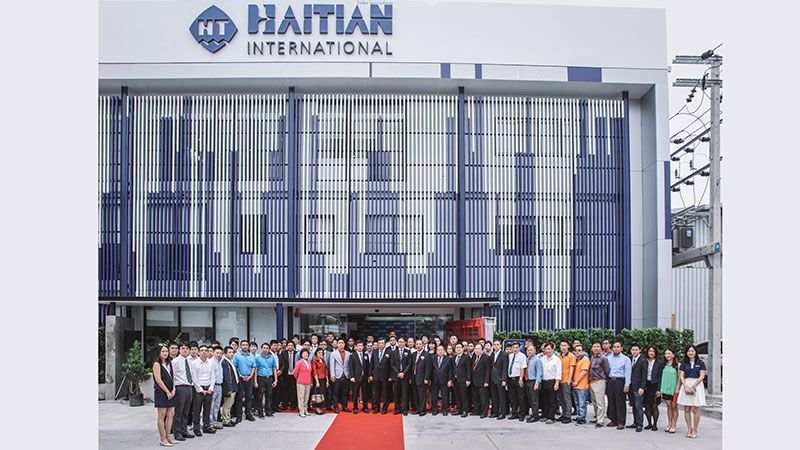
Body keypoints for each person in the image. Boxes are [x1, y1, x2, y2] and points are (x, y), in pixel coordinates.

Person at [677, 345, 706, 439]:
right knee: (686, 409)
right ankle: (689, 428)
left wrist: (693, 386)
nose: (691, 352)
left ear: (695, 352)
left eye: (692, 351)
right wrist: (685, 386)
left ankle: (695, 430)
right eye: (689, 351)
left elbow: (702, 376)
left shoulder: (701, 363)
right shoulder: (684, 363)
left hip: (697, 385)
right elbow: (681, 376)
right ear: (686, 353)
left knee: (696, 408)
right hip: (686, 384)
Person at [153, 344, 177, 447]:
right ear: (159, 353)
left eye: (166, 351)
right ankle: (162, 439)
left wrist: (173, 389)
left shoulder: (169, 363)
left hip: (171, 391)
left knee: (171, 414)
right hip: (161, 392)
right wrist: (167, 391)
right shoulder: (156, 364)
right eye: (163, 351)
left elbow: (173, 377)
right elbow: (158, 380)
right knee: (162, 415)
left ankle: (168, 437)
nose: (165, 353)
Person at [170, 343, 195, 442]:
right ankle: (177, 432)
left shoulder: (190, 361)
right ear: (179, 350)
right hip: (180, 387)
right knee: (179, 411)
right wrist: (173, 389)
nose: (185, 350)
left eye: (187, 348)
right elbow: (172, 376)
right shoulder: (175, 362)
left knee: (186, 411)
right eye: (182, 348)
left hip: (189, 387)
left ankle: (184, 430)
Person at [190, 345, 216, 436]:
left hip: (208, 388)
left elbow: (213, 376)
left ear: (208, 352)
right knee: (197, 410)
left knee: (207, 409)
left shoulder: (211, 363)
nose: (204, 352)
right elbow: (194, 378)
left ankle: (206, 426)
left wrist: (211, 388)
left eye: (206, 350)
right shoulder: (194, 363)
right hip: (198, 389)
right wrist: (200, 390)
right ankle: (196, 428)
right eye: (202, 350)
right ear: (198, 352)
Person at [606, 341, 632, 430]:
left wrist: (627, 385)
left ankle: (621, 422)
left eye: (618, 347)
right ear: (612, 348)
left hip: (620, 381)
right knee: (611, 401)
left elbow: (628, 373)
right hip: (610, 381)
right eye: (614, 347)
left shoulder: (626, 359)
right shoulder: (608, 358)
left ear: (621, 348)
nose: (616, 348)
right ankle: (613, 420)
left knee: (620, 402)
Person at [232, 340, 257, 423]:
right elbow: (235, 367)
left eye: (246, 345)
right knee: (239, 397)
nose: (245, 346)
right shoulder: (236, 356)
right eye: (243, 345)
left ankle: (248, 413)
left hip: (249, 379)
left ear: (248, 346)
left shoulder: (251, 356)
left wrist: (250, 376)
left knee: (249, 397)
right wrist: (240, 375)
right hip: (240, 379)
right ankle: (239, 415)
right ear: (240, 346)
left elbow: (254, 367)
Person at [658, 348, 681, 434]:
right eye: (666, 354)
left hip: (674, 389)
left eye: (669, 353)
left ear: (673, 355)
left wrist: (677, 388)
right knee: (668, 406)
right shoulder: (663, 365)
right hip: (665, 389)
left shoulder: (677, 365)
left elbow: (679, 378)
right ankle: (669, 423)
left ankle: (674, 425)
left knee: (674, 406)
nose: (667, 355)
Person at [588, 342, 610, 428]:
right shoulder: (592, 357)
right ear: (592, 349)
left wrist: (605, 380)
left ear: (600, 348)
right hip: (592, 381)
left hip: (600, 381)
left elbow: (607, 371)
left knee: (600, 402)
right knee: (594, 402)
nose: (596, 348)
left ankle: (600, 420)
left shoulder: (604, 358)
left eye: (598, 346)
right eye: (594, 346)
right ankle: (597, 417)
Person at [540, 342, 561, 424]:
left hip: (552, 381)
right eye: (546, 349)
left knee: (552, 400)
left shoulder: (556, 359)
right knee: (544, 400)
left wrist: (557, 383)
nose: (548, 351)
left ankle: (551, 417)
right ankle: (545, 415)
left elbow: (558, 372)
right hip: (544, 381)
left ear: (553, 349)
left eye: (549, 349)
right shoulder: (542, 359)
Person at [255, 343, 278, 418]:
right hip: (261, 378)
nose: (265, 349)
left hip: (269, 378)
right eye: (264, 348)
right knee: (260, 396)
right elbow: (256, 370)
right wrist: (255, 381)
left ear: (269, 349)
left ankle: (268, 412)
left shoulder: (272, 358)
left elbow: (274, 368)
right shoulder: (258, 358)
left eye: (267, 348)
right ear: (261, 349)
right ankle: (260, 412)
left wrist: (276, 380)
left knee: (269, 395)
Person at [643, 346, 664, 431]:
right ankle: (649, 424)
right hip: (646, 385)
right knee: (647, 405)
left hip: (655, 385)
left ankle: (655, 424)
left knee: (654, 405)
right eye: (650, 351)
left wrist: (659, 389)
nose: (651, 353)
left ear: (655, 353)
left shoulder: (659, 363)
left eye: (653, 351)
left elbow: (660, 377)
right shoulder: (644, 361)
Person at [628, 343, 647, 432]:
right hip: (631, 386)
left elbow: (644, 375)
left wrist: (642, 387)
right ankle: (635, 422)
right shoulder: (630, 359)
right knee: (633, 405)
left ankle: (640, 424)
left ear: (640, 350)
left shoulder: (643, 360)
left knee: (638, 406)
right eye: (633, 350)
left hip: (638, 387)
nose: (634, 351)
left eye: (636, 350)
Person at [390, 337, 412, 415]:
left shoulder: (408, 352)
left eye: (402, 342)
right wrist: (398, 373)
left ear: (405, 343)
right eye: (399, 342)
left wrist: (403, 373)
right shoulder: (393, 352)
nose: (401, 343)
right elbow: (392, 364)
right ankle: (397, 409)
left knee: (404, 394)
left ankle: (404, 409)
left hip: (405, 376)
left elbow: (409, 364)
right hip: (396, 376)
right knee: (396, 393)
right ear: (397, 343)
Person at [329, 338, 351, 413]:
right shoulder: (333, 353)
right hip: (337, 375)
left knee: (345, 392)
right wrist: (332, 375)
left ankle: (345, 406)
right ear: (337, 344)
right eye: (339, 343)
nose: (341, 344)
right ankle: (336, 407)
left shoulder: (348, 353)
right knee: (336, 392)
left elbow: (349, 365)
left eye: (342, 343)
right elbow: (332, 365)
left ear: (344, 344)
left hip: (346, 375)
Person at [506, 342, 527, 421]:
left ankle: (522, 415)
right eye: (513, 347)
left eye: (516, 347)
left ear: (519, 348)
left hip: (518, 379)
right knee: (513, 398)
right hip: (511, 379)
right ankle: (514, 413)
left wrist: (521, 378)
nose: (515, 349)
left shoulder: (522, 356)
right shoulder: (510, 356)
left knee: (521, 398)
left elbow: (522, 368)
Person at [348, 341, 370, 413]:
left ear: (363, 347)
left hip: (364, 377)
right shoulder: (352, 355)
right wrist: (352, 376)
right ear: (356, 347)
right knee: (355, 393)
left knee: (365, 393)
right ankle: (355, 407)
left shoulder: (365, 355)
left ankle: (365, 407)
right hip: (356, 377)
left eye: (361, 346)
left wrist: (368, 376)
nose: (360, 347)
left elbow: (368, 367)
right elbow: (350, 367)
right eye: (358, 346)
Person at [430, 345, 452, 416]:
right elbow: (430, 369)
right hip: (434, 380)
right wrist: (429, 379)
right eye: (438, 350)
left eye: (441, 350)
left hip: (444, 380)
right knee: (434, 396)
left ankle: (445, 410)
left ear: (444, 351)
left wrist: (450, 380)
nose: (440, 351)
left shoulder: (448, 359)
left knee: (445, 396)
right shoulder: (433, 358)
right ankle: (434, 409)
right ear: (436, 351)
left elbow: (450, 370)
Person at [371, 338, 392, 414]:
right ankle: (376, 408)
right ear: (377, 344)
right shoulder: (374, 352)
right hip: (376, 376)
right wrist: (370, 375)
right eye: (379, 343)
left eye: (382, 343)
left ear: (385, 344)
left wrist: (390, 376)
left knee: (385, 393)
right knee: (376, 393)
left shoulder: (389, 352)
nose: (381, 344)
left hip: (385, 376)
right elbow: (371, 364)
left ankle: (384, 408)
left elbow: (391, 365)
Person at [412, 339, 432, 416]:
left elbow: (428, 368)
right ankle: (417, 409)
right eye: (417, 344)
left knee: (422, 395)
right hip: (414, 377)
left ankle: (422, 410)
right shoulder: (413, 354)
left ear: (423, 345)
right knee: (415, 395)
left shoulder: (427, 354)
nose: (418, 345)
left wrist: (426, 378)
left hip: (422, 378)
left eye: (420, 344)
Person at [571, 343, 590, 425]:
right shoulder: (576, 360)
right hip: (575, 385)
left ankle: (582, 418)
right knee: (577, 403)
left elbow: (584, 372)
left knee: (582, 402)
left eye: (580, 350)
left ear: (583, 351)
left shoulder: (585, 359)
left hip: (582, 385)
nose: (578, 352)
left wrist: (576, 382)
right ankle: (579, 416)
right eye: (576, 351)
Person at [489, 340, 509, 419]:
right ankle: (495, 412)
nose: (496, 346)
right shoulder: (492, 354)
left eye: (497, 344)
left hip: (500, 379)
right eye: (494, 344)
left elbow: (505, 367)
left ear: (500, 346)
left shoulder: (504, 354)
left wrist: (504, 379)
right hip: (493, 379)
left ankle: (502, 413)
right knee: (494, 397)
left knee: (502, 397)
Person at [220, 346, 239, 427]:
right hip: (229, 387)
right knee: (227, 405)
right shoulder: (224, 363)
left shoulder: (230, 362)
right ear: (225, 353)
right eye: (229, 352)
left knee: (230, 404)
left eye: (232, 352)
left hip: (233, 386)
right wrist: (229, 388)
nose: (232, 354)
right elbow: (227, 377)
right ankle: (226, 420)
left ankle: (228, 418)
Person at [471, 343, 491, 418]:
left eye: (478, 349)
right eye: (475, 349)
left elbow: (488, 370)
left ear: (482, 350)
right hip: (475, 381)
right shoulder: (474, 357)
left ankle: (484, 412)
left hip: (483, 381)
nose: (476, 350)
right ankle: (477, 411)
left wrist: (486, 381)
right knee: (476, 397)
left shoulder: (486, 357)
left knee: (484, 398)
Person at [558, 340, 576, 423]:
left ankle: (568, 416)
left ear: (568, 346)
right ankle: (563, 414)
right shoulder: (559, 356)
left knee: (567, 399)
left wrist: (569, 379)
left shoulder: (571, 356)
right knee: (561, 399)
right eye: (562, 345)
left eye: (565, 345)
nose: (563, 347)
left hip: (566, 381)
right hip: (559, 380)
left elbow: (572, 368)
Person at [524, 344, 542, 423]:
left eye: (531, 350)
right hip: (527, 381)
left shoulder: (537, 360)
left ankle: (536, 416)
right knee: (530, 399)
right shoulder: (527, 359)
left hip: (533, 381)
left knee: (534, 400)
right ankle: (533, 414)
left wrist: (537, 383)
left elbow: (539, 372)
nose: (529, 352)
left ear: (534, 351)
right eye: (528, 350)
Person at [293, 349, 314, 417]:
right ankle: (301, 411)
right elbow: (295, 373)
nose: (306, 355)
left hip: (308, 382)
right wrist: (299, 378)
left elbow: (310, 373)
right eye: (304, 353)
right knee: (301, 397)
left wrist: (311, 381)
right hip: (300, 382)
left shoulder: (309, 362)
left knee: (306, 397)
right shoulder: (299, 362)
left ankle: (305, 410)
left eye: (307, 353)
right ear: (301, 355)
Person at [452, 343, 471, 417]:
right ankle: (459, 409)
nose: (458, 349)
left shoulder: (466, 357)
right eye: (457, 347)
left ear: (463, 348)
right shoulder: (454, 357)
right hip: (455, 380)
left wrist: (468, 379)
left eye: (459, 347)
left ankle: (465, 411)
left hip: (463, 380)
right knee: (457, 396)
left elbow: (468, 369)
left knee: (464, 396)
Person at [279, 341, 298, 411]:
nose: (290, 347)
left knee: (293, 390)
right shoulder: (283, 353)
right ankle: (285, 404)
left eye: (292, 345)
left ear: (294, 346)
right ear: (287, 346)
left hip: (294, 374)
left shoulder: (297, 353)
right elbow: (282, 363)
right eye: (289, 345)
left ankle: (293, 404)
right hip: (285, 374)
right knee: (285, 390)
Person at [210, 346, 224, 429]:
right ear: (213, 353)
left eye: (220, 353)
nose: (219, 355)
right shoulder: (211, 362)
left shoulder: (219, 362)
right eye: (217, 353)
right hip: (213, 386)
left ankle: (214, 422)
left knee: (217, 406)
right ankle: (210, 422)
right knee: (211, 406)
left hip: (219, 386)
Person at [311, 348, 328, 414]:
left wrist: (327, 380)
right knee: (317, 394)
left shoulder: (323, 360)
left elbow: (326, 370)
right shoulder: (314, 360)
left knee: (322, 393)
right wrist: (317, 381)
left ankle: (321, 407)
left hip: (323, 379)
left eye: (321, 352)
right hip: (317, 379)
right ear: (316, 353)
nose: (320, 354)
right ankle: (317, 408)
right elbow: (314, 371)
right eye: (319, 352)